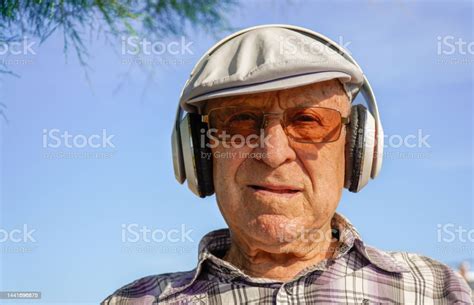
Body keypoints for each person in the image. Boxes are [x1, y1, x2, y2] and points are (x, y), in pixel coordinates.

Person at [102, 25, 472, 304]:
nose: (273, 152)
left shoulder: (439, 292)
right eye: (240, 121)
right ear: (198, 154)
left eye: (308, 121)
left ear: (357, 150)